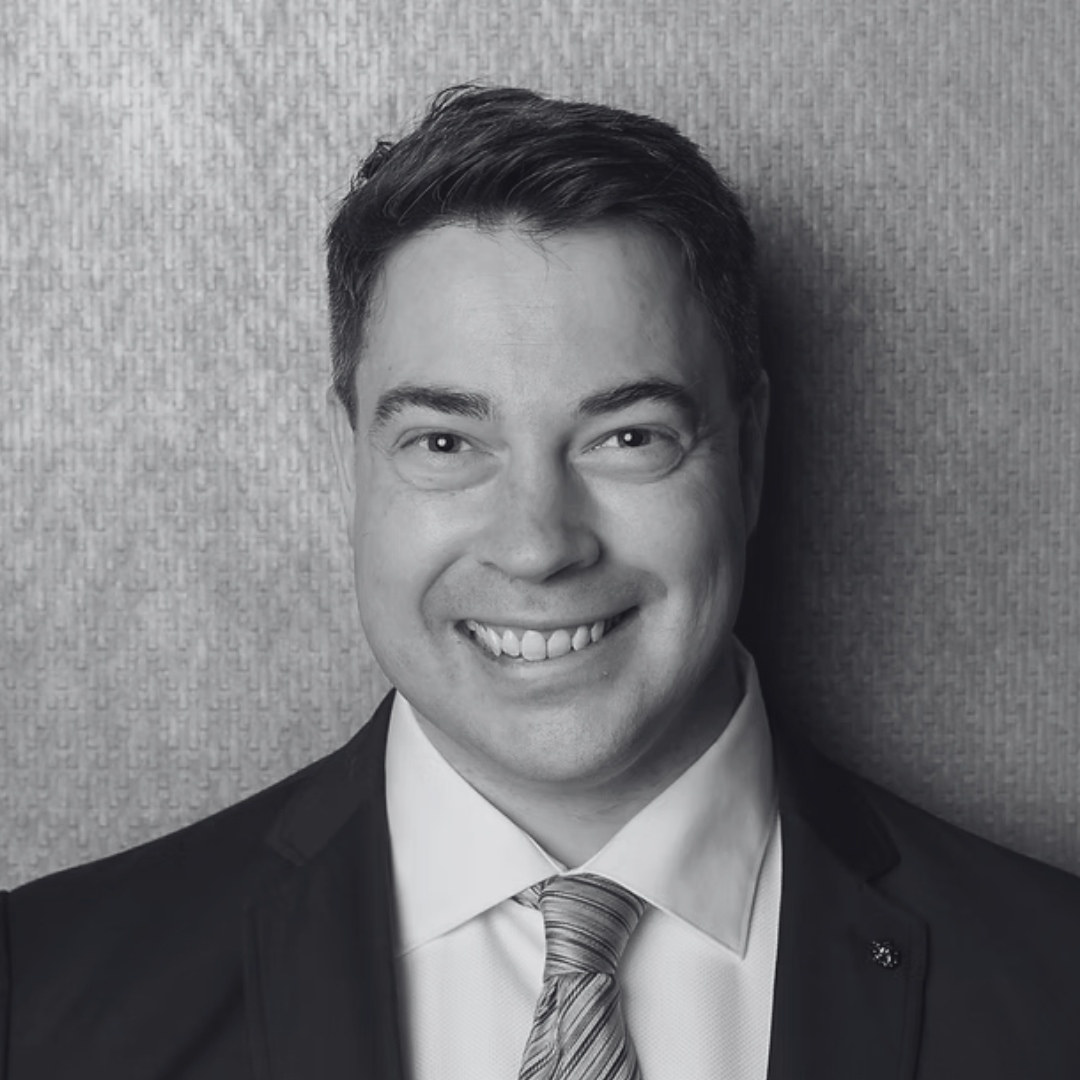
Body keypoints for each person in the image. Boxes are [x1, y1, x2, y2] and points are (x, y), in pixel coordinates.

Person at [1, 85, 1078, 1080]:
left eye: (627, 435)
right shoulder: (40, 999)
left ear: (747, 458)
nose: (537, 545)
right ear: (353, 467)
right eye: (443, 443)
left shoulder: (1051, 991)